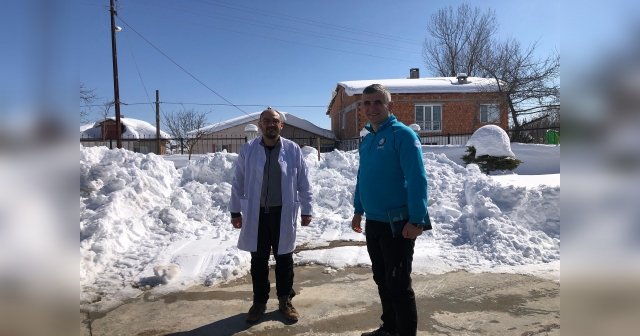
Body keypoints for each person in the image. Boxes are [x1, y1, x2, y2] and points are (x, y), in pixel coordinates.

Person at [352, 84, 429, 336]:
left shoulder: (403, 135)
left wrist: (417, 220)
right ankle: (390, 328)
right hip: (374, 223)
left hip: (397, 224)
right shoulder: (368, 137)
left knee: (398, 285)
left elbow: (417, 178)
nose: (371, 108)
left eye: (377, 102)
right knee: (382, 280)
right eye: (366, 103)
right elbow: (362, 176)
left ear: (390, 106)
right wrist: (358, 209)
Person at [229, 107, 313, 323]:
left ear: (281, 125)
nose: (270, 124)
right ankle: (259, 302)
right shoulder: (248, 149)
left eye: (275, 121)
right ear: (260, 125)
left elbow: (304, 181)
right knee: (258, 261)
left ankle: (285, 300)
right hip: (256, 215)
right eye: (266, 120)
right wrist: (235, 211)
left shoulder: (293, 150)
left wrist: (307, 209)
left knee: (284, 259)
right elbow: (238, 181)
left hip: (282, 213)